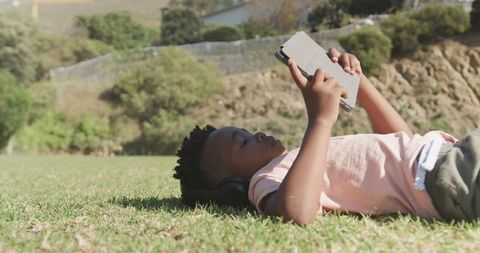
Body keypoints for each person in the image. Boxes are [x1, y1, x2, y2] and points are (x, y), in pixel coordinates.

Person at [173, 48, 480, 225]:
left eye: (248, 132)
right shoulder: (266, 178)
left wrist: (360, 84)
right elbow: (296, 212)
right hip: (446, 176)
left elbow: (402, 140)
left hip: (450, 152)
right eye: (244, 142)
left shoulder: (302, 155)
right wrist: (320, 119)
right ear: (232, 184)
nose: (257, 134)